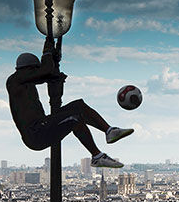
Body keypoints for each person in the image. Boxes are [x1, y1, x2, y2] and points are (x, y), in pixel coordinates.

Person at [7, 37, 132, 168]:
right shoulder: (14, 80)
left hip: (41, 126)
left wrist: (54, 64)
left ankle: (109, 131)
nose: (36, 74)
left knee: (79, 105)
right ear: (27, 69)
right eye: (34, 70)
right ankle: (97, 156)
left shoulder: (25, 81)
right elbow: (46, 71)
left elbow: (47, 73)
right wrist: (47, 51)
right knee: (75, 119)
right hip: (36, 133)